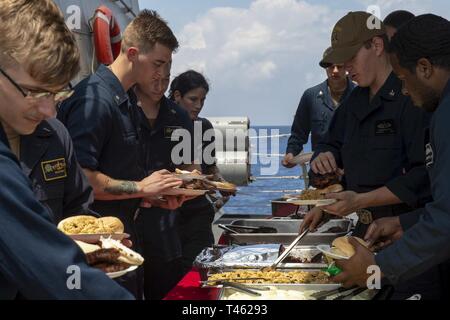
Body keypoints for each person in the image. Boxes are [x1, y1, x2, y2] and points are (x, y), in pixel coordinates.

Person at [301, 11, 439, 299]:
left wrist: (361, 199)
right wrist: (323, 159)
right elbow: (332, 144)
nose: (345, 67)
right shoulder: (353, 99)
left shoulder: (412, 96)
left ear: (376, 46)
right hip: (363, 236)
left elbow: (423, 177)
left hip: (407, 238)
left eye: (351, 58)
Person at [0, 0, 133, 299]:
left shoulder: (57, 135)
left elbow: (78, 212)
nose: (49, 110)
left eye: (56, 93)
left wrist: (96, 250)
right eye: (34, 92)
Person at [58, 10, 184, 298]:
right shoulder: (94, 101)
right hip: (96, 254)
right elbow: (82, 178)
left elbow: (119, 169)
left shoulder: (126, 100)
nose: (162, 74)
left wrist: (150, 195)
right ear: (131, 53)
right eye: (157, 64)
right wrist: (141, 187)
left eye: (166, 65)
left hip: (124, 242)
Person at [134, 65, 198, 300]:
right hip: (126, 223)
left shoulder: (178, 116)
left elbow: (191, 166)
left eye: (166, 79)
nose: (160, 85)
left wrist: (190, 186)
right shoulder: (121, 111)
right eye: (155, 76)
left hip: (166, 227)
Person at [169, 70, 226, 275]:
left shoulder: (204, 126)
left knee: (202, 266)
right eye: (193, 99)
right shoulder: (162, 124)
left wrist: (221, 185)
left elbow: (210, 167)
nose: (199, 105)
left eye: (202, 100)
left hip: (198, 210)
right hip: (168, 210)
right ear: (177, 96)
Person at [282, 47, 355, 168]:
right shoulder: (310, 96)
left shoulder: (360, 95)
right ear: (325, 68)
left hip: (353, 169)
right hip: (321, 171)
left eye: (340, 66)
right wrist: (291, 154)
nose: (335, 71)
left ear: (347, 66)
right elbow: (298, 134)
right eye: (331, 66)